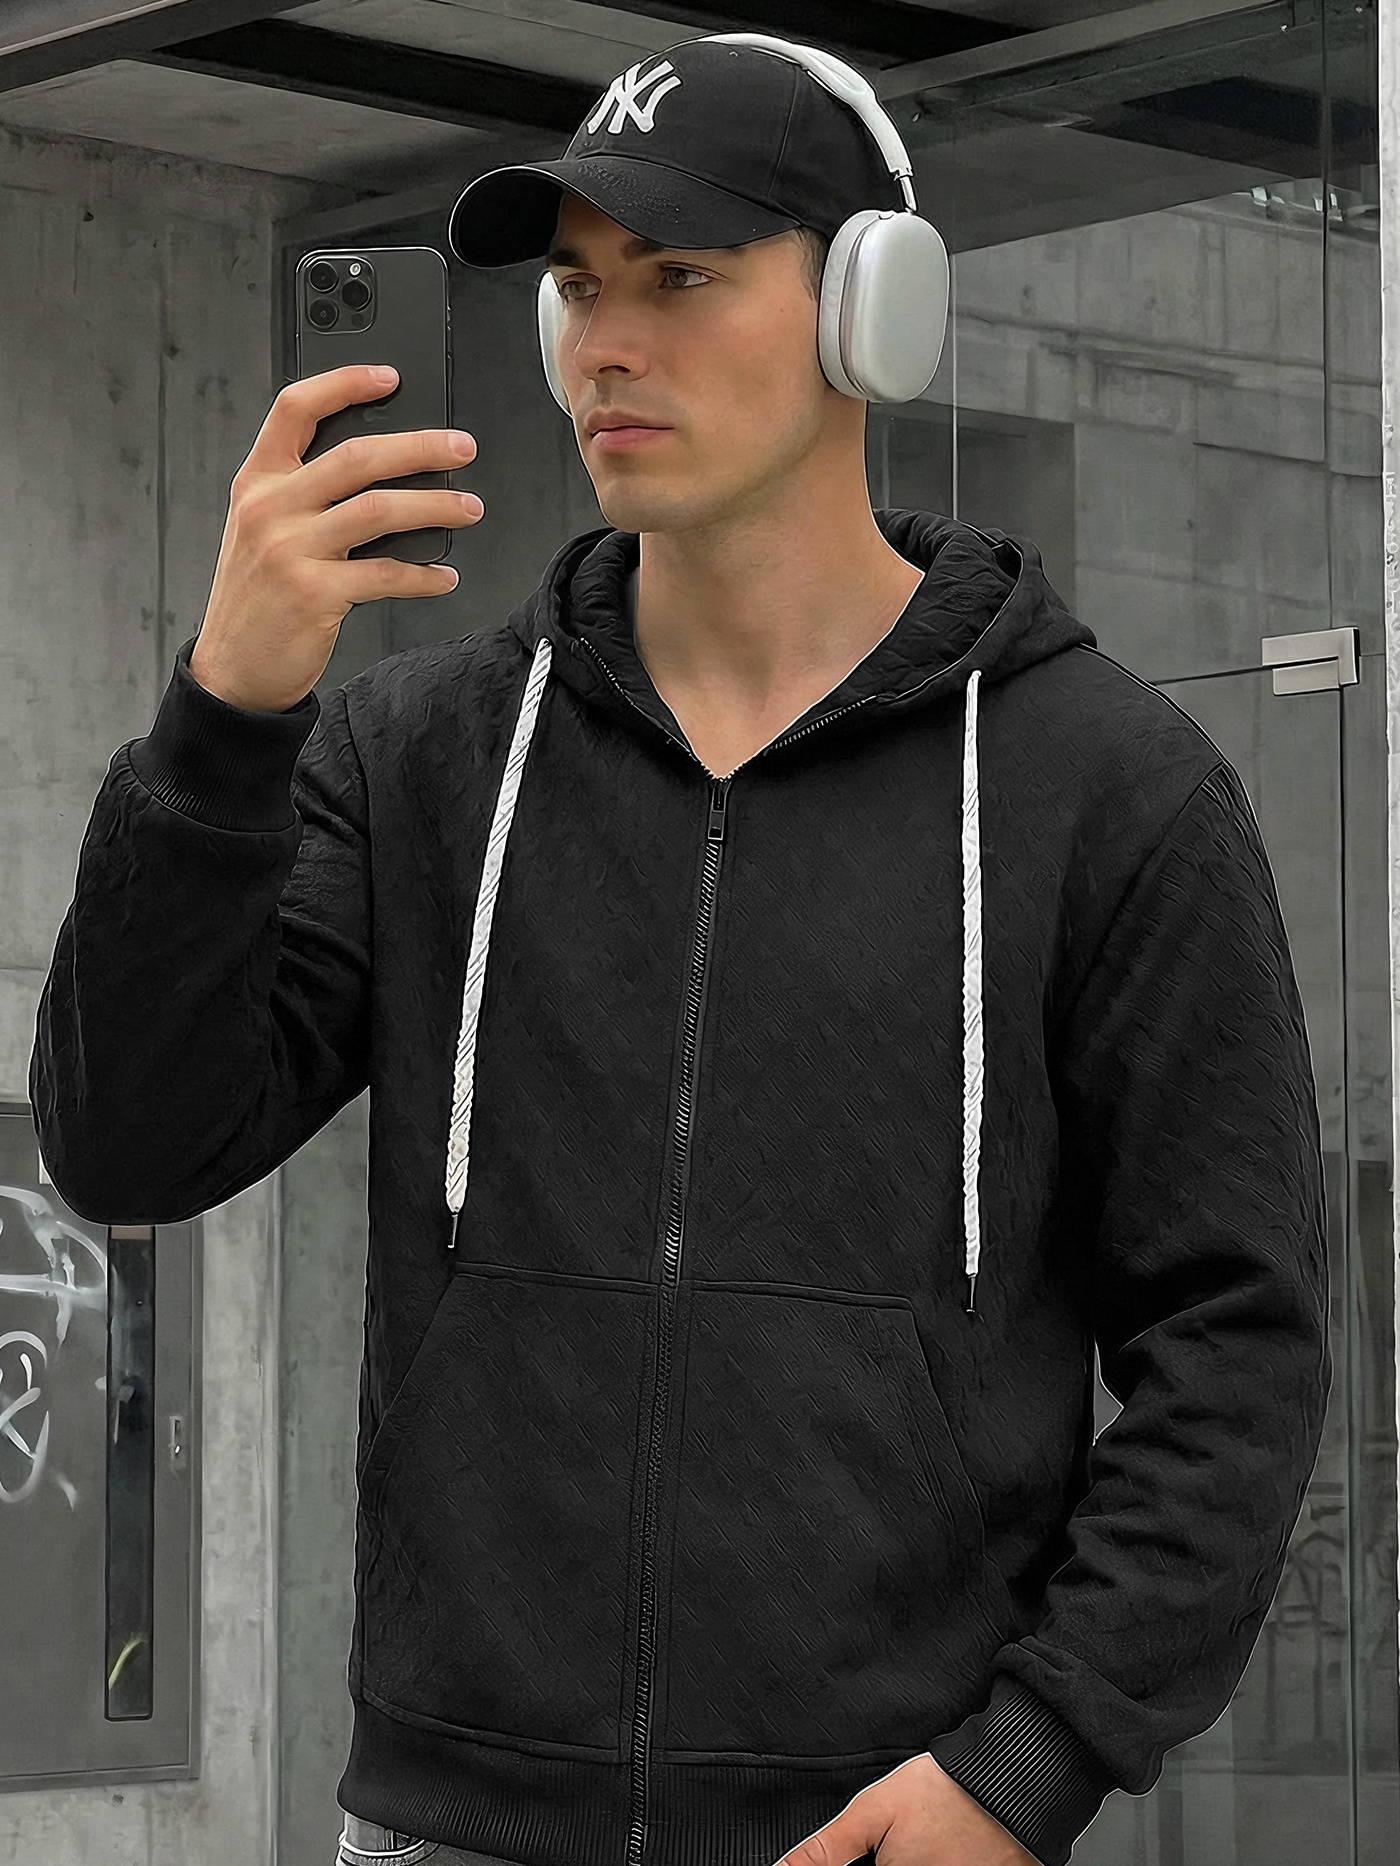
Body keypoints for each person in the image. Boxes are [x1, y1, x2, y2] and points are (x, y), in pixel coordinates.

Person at [29, 31, 1331, 1866]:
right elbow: (128, 1144)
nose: (604, 344)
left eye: (681, 277)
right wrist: (225, 719)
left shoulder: (1105, 787)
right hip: (452, 1831)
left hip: (879, 1832)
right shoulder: (418, 758)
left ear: (871, 307)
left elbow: (1239, 1342)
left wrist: (1031, 1757)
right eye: (578, 287)